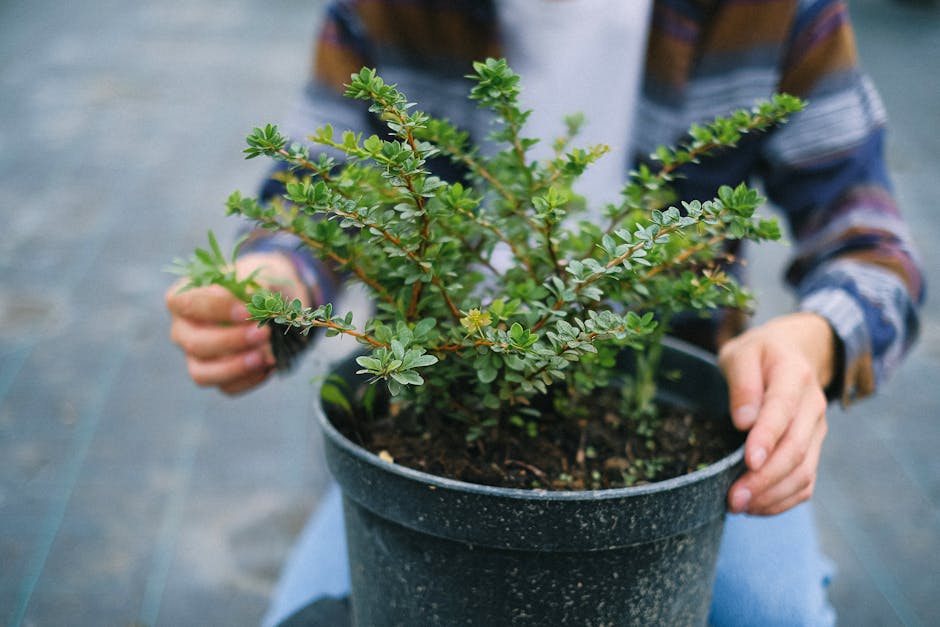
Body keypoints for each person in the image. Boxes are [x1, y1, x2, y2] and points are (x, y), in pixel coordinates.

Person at [165, 1, 924, 624]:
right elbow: (311, 189)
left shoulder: (774, 13)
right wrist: (272, 281)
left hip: (675, 403)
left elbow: (871, 244)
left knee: (772, 613)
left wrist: (814, 338)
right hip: (436, 399)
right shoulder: (383, 10)